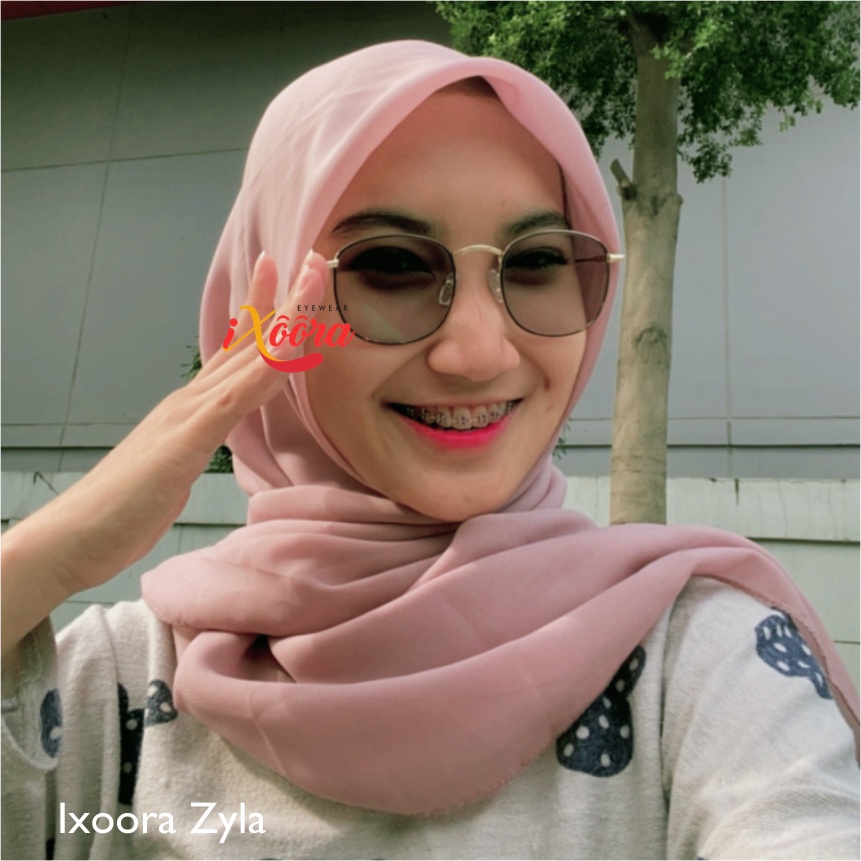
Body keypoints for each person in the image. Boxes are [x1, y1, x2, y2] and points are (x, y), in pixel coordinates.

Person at [2, 39, 858, 860]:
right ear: (262, 303)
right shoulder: (108, 688)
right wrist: (42, 558)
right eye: (390, 265)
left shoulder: (700, 663)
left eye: (536, 261)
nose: (478, 352)